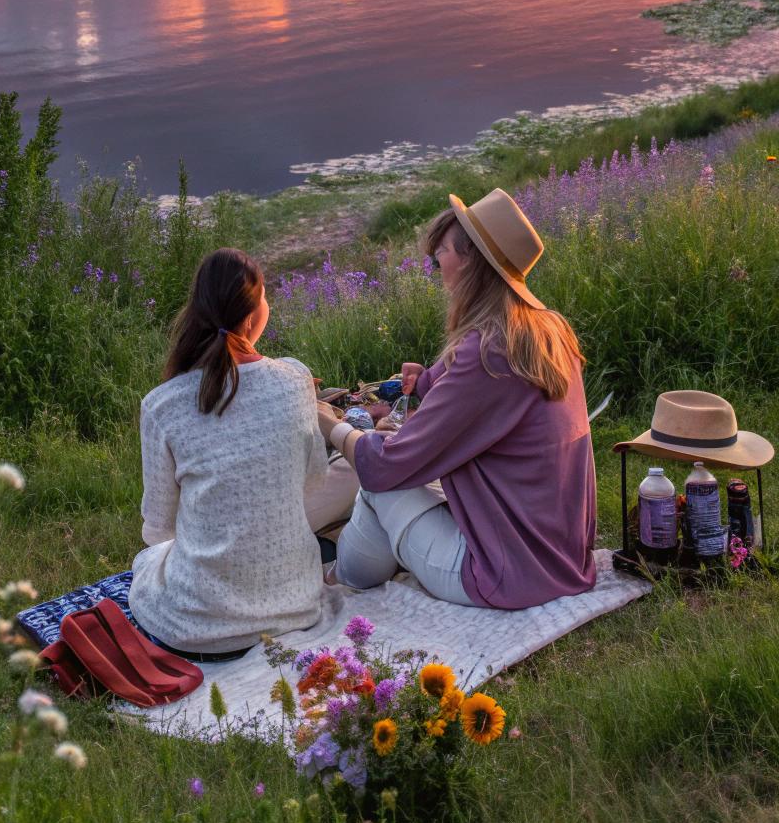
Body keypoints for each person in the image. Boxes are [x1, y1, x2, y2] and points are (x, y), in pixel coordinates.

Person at [316, 189, 597, 609]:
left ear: (471, 262)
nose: (435, 264)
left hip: (505, 573)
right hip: (561, 558)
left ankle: (335, 583)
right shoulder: (546, 331)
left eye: (441, 253)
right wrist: (426, 381)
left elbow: (384, 467)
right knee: (389, 481)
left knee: (379, 486)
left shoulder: (489, 353)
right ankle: (348, 573)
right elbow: (484, 402)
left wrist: (328, 423)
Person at [128, 247, 355, 656]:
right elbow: (313, 478)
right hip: (296, 607)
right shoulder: (296, 380)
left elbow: (158, 530)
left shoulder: (162, 404)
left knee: (148, 563)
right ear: (253, 315)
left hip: (197, 624)